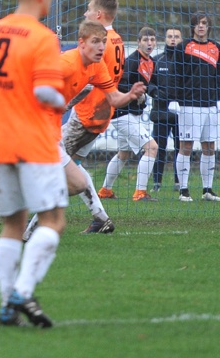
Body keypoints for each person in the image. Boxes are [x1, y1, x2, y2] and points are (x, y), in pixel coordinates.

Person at [0, 0, 112, 328]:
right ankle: (21, 291)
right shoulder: (42, 38)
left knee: (12, 225)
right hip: (35, 139)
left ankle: (5, 305)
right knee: (54, 221)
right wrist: (61, 101)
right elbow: (43, 92)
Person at [25, 20, 145, 240]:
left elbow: (114, 98)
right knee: (69, 181)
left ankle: (28, 225)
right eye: (95, 42)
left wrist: (130, 96)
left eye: (103, 42)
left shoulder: (97, 66)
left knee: (77, 181)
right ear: (81, 43)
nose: (101, 47)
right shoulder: (65, 65)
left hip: (51, 133)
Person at [98, 27, 159, 202]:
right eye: (146, 40)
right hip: (123, 113)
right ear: (138, 42)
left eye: (152, 40)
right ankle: (140, 193)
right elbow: (119, 85)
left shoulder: (151, 62)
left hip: (132, 113)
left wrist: (149, 93)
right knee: (151, 147)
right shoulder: (131, 61)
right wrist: (136, 95)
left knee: (124, 153)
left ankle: (105, 190)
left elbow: (149, 85)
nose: (149, 43)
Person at [170, 11, 220, 202]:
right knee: (186, 146)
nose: (201, 26)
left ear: (208, 26)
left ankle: (207, 190)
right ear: (192, 27)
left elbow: (217, 75)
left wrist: (219, 98)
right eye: (197, 23)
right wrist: (175, 99)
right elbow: (176, 75)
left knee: (209, 147)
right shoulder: (183, 46)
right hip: (189, 104)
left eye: (204, 23)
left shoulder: (216, 47)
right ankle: (183, 190)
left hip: (210, 105)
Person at [69, 0, 125, 164]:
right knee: (73, 162)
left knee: (58, 159)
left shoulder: (100, 44)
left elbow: (86, 75)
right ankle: (94, 192)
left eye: (89, 10)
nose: (86, 14)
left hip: (88, 109)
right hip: (103, 110)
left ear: (98, 15)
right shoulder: (117, 39)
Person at [149, 27, 183, 192]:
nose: (173, 39)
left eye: (176, 36)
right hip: (161, 112)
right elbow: (148, 83)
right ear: (165, 39)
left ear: (181, 39)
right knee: (159, 148)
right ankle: (157, 182)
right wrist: (155, 93)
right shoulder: (157, 60)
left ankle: (180, 182)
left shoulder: (187, 62)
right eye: (170, 36)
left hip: (181, 113)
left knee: (181, 148)